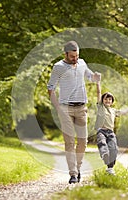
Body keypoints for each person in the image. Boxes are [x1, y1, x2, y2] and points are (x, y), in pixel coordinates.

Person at [47, 41, 101, 184]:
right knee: (69, 142)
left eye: (76, 55)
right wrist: (58, 107)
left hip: (82, 108)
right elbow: (50, 88)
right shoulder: (58, 67)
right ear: (65, 54)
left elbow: (90, 77)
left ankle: (78, 168)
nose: (75, 58)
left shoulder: (82, 63)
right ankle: (72, 174)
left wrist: (96, 77)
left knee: (83, 141)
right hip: (66, 108)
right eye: (72, 56)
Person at [94, 81, 128, 175]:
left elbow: (124, 112)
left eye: (110, 99)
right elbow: (98, 93)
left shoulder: (114, 111)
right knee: (102, 142)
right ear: (102, 100)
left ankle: (110, 168)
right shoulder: (101, 107)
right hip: (101, 131)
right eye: (106, 99)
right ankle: (104, 154)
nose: (107, 101)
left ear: (112, 102)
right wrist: (98, 83)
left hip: (110, 132)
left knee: (114, 149)